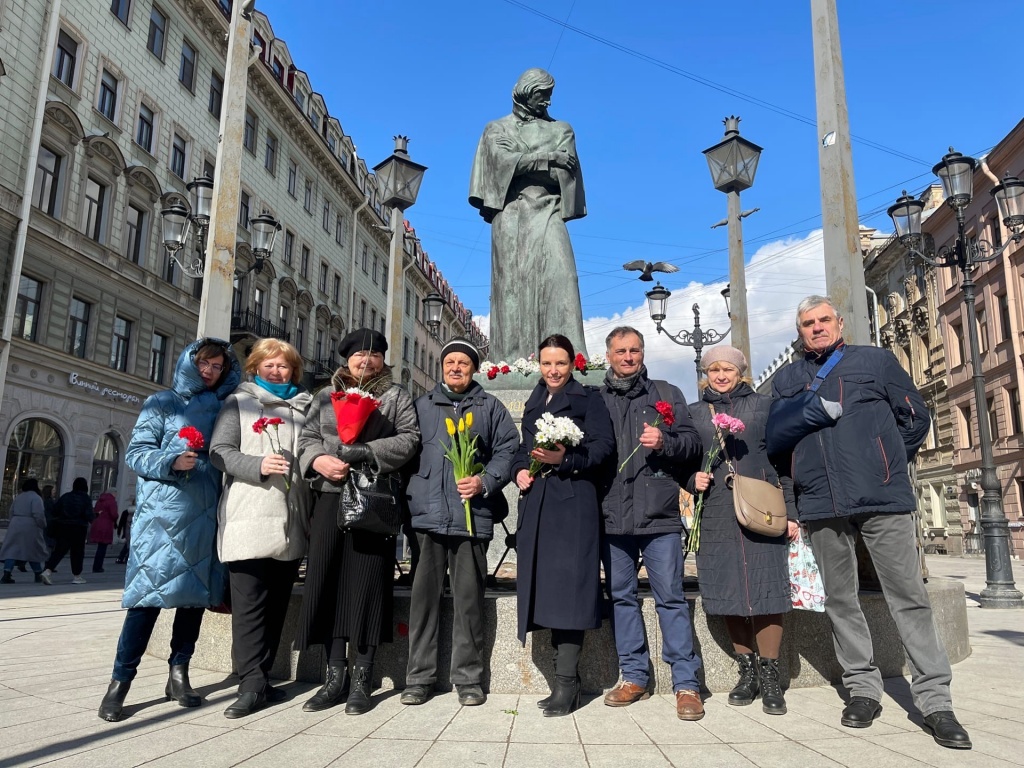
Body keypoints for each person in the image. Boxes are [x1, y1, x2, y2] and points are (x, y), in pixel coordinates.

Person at [767, 296, 971, 749]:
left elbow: (915, 417)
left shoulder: (874, 361)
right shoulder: (786, 380)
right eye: (807, 323)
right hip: (820, 503)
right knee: (840, 600)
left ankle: (936, 701)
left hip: (882, 498)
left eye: (824, 320)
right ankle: (862, 689)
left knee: (908, 597)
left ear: (840, 323)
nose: (817, 328)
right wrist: (794, 503)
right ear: (798, 331)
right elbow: (778, 447)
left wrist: (884, 461)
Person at [97, 338, 241, 723]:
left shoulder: (228, 407)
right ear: (190, 362)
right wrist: (171, 460)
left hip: (205, 513)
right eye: (205, 363)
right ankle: (119, 682)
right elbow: (136, 453)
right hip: (161, 518)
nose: (210, 371)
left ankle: (179, 672)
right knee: (145, 603)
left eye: (218, 366)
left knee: (192, 601)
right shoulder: (162, 402)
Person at [296, 328, 419, 715]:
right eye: (358, 355)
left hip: (372, 501)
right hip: (330, 499)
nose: (367, 361)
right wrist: (318, 460)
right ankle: (335, 676)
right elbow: (307, 438)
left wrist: (365, 450)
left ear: (384, 359)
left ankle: (362, 679)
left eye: (375, 355)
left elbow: (410, 439)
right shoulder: (323, 396)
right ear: (346, 359)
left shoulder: (395, 396)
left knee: (365, 585)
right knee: (330, 582)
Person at [401, 337, 519, 708]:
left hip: (471, 518)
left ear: (473, 369)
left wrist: (485, 481)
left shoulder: (490, 406)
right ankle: (419, 678)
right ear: (442, 367)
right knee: (424, 602)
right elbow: (405, 451)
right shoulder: (422, 405)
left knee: (469, 602)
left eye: (463, 364)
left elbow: (508, 449)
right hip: (428, 517)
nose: (455, 368)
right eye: (450, 362)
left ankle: (468, 679)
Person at [598, 327, 706, 721]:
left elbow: (692, 444)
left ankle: (687, 684)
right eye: (621, 351)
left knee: (671, 599)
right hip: (612, 517)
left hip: (659, 516)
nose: (629, 357)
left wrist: (664, 441)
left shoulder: (666, 393)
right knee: (622, 599)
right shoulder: (597, 398)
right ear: (608, 355)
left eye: (635, 350)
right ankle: (634, 677)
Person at [687, 345, 796, 715]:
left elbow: (784, 460)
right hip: (717, 510)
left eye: (727, 370)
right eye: (713, 369)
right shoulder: (694, 413)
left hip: (762, 509)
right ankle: (746, 671)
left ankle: (770, 674)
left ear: (741, 372)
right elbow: (682, 459)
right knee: (729, 588)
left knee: (767, 588)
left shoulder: (764, 408)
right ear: (705, 374)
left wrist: (792, 514)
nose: (720, 375)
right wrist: (691, 478)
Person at [511, 334, 614, 717]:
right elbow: (524, 448)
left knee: (569, 593)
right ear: (538, 364)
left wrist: (564, 458)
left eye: (560, 363)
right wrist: (520, 469)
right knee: (547, 590)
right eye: (546, 363)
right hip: (538, 505)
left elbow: (604, 448)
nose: (553, 370)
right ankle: (561, 682)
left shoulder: (590, 399)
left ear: (573, 364)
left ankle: (568, 684)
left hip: (573, 505)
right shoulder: (536, 400)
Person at [210, 338, 313, 718]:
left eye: (283, 365)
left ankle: (262, 679)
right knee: (249, 606)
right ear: (255, 367)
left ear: (294, 371)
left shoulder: (304, 408)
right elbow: (220, 451)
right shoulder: (239, 402)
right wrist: (257, 465)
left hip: (290, 520)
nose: (276, 370)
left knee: (275, 607)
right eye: (268, 364)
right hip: (249, 515)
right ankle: (250, 684)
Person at [469, 68, 588, 361]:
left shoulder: (561, 129)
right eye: (542, 95)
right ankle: (510, 362)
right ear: (524, 92)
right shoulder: (496, 129)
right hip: (510, 216)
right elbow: (497, 167)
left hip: (549, 211)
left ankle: (566, 359)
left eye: (550, 96)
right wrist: (546, 157)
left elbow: (565, 172)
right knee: (510, 288)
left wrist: (518, 161)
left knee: (563, 277)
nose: (548, 102)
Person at [41, 477, 93, 584]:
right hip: (79, 528)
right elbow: (88, 515)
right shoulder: (86, 498)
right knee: (77, 552)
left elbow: (55, 510)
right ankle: (77, 576)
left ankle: (47, 570)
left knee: (59, 550)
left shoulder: (66, 496)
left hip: (64, 527)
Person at [1, 479, 48, 583]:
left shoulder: (19, 497)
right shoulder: (36, 498)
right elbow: (38, 514)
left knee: (11, 550)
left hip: (16, 523)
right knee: (32, 549)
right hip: (30, 524)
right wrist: (43, 524)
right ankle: (38, 573)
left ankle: (7, 573)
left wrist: (12, 522)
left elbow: (11, 511)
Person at [89, 490, 119, 573]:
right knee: (102, 547)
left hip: (97, 523)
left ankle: (96, 566)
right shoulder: (111, 501)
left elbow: (95, 511)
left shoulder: (100, 500)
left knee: (100, 547)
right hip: (106, 525)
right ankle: (98, 567)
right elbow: (114, 514)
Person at [115, 498, 135, 564]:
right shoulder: (139, 512)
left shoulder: (126, 512)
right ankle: (125, 558)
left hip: (127, 531)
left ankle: (121, 558)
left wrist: (119, 531)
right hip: (133, 532)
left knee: (127, 545)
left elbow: (121, 523)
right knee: (129, 546)